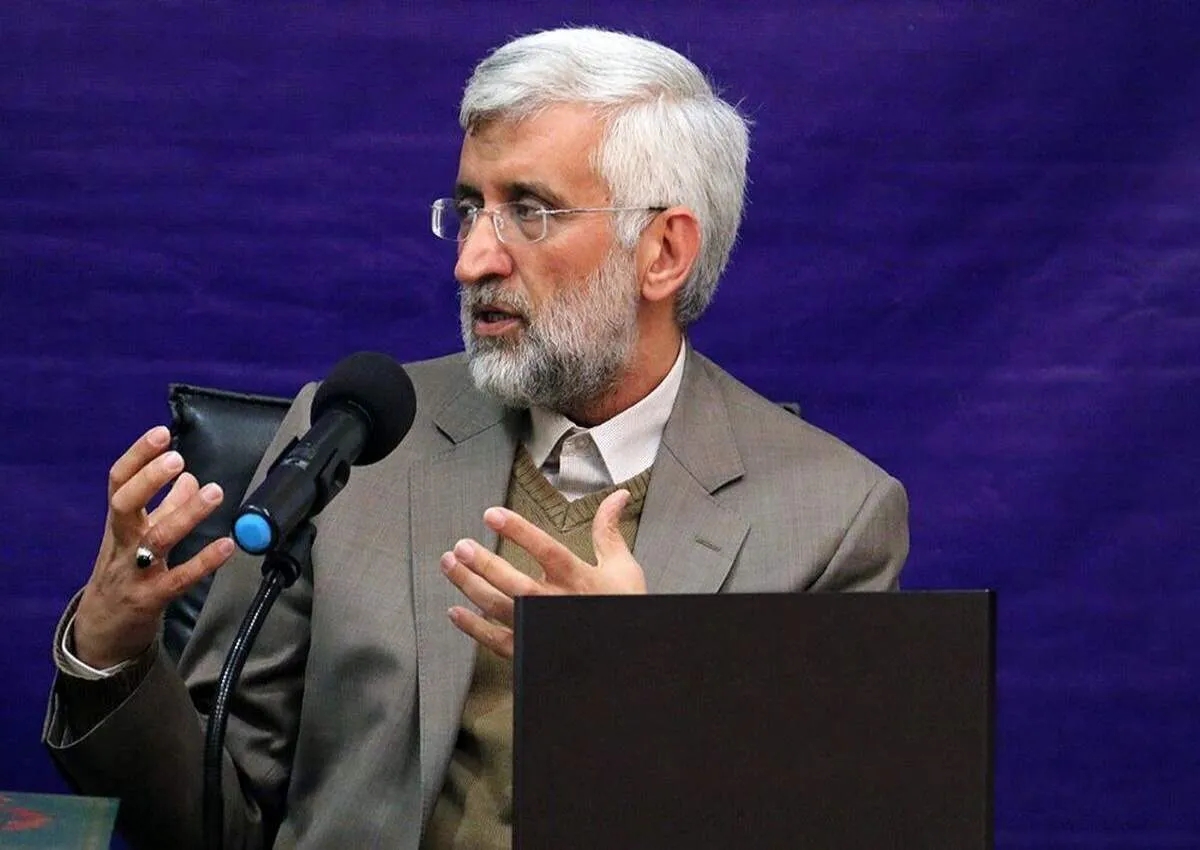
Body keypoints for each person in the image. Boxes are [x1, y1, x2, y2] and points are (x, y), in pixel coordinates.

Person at [43, 27, 909, 850]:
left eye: (529, 211)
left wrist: (633, 692)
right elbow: (210, 819)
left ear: (662, 252)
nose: (471, 261)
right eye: (469, 210)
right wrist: (111, 651)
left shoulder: (829, 523)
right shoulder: (353, 442)